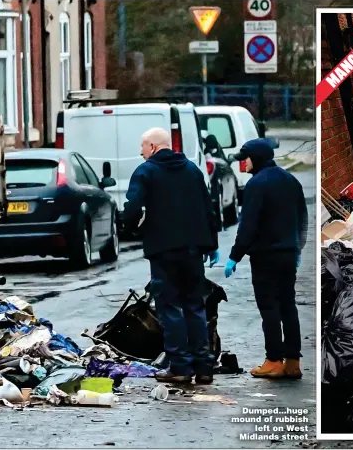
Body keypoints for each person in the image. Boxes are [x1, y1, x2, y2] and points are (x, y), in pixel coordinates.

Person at [123, 127, 220, 384]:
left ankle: (180, 367)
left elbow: (132, 207)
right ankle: (204, 368)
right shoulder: (192, 170)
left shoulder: (146, 171)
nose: (141, 151)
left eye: (143, 146)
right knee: (195, 306)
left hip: (163, 249)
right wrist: (211, 244)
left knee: (170, 308)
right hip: (193, 250)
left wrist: (132, 227)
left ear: (153, 147)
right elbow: (207, 207)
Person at [224, 138, 308, 379]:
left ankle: (273, 360)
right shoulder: (291, 180)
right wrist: (297, 248)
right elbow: (302, 218)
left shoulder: (256, 185)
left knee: (269, 307)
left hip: (265, 256)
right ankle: (292, 362)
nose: (242, 164)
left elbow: (248, 225)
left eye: (245, 159)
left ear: (256, 158)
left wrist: (234, 256)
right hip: (288, 254)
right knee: (288, 306)